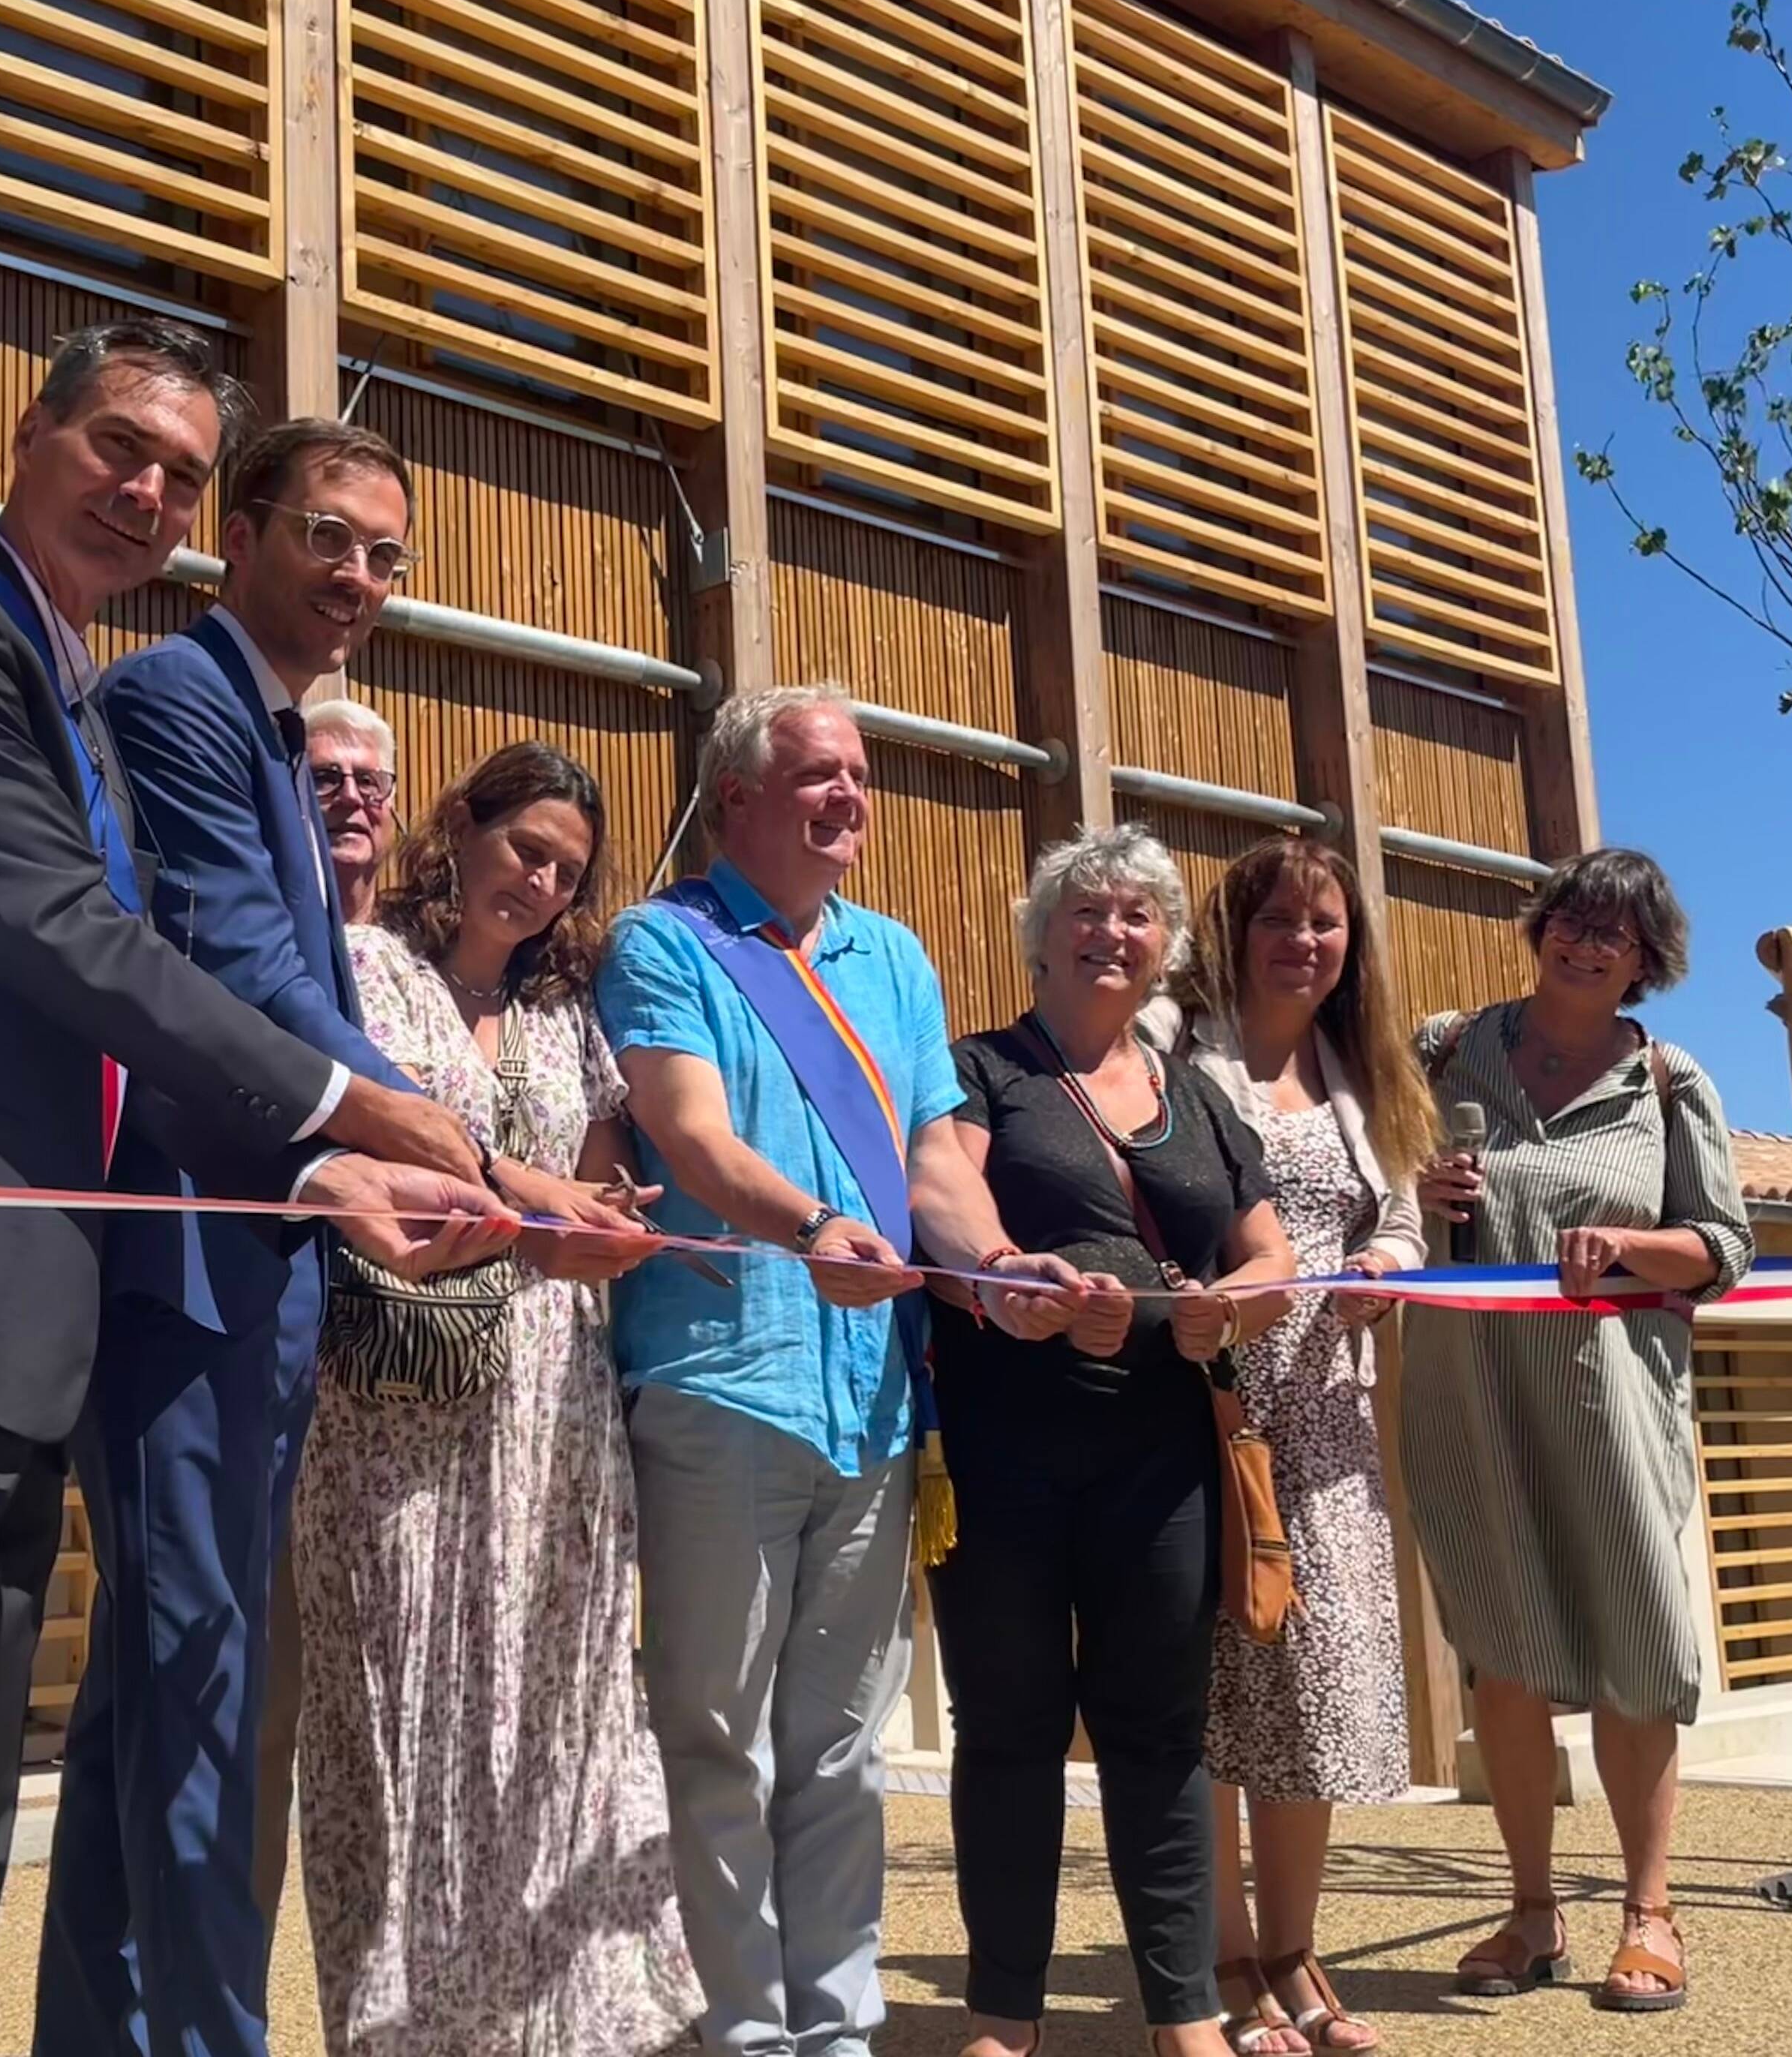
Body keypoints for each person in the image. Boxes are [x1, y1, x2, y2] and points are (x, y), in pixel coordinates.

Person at [0, 330, 501, 2057]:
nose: (143, 489)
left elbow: (110, 1010)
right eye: (115, 445)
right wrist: (345, 1101)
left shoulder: (73, 677)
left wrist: (321, 1165)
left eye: (175, 468)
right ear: (29, 433)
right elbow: (65, 934)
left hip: (22, 1301)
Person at [40, 417, 488, 2056]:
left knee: (153, 1704)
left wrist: (462, 1166)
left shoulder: (277, 732)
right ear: (242, 533)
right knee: (196, 1706)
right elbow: (243, 973)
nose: (360, 576)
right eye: (329, 536)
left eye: (387, 555)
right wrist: (448, 1137)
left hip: (259, 1279)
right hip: (180, 1267)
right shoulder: (179, 697)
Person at [596, 683, 1093, 2057]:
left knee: (838, 1745)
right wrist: (811, 1225)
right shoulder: (663, 941)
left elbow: (936, 1162)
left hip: (874, 1399)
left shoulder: (894, 956)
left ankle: (838, 2030)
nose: (851, 795)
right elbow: (689, 1135)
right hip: (722, 1379)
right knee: (719, 1737)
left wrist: (997, 1261)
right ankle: (748, 2033)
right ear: (736, 795)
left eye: (860, 773)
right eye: (819, 772)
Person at [293, 740, 701, 2055]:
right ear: (461, 827)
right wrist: (535, 1215)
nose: (539, 884)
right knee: (400, 1707)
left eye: (566, 873)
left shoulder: (565, 1017)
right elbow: (346, 1144)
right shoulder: (363, 969)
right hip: (396, 1392)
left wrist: (611, 1223)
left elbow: (598, 1174)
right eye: (526, 848)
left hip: (552, 1392)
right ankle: (408, 2027)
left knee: (555, 1700)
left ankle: (562, 2024)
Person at [935, 824, 1299, 2057]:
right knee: (1008, 1729)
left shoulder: (1197, 1096)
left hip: (1162, 1460)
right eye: (1085, 909)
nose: (1111, 930)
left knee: (1159, 1734)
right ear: (1039, 938)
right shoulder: (981, 1070)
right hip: (1001, 1452)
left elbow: (1269, 1254)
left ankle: (1183, 2010)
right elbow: (943, 1204)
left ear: (1164, 947)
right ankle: (1003, 2012)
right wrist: (1011, 1280)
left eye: (1137, 913)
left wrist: (1223, 1309)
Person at [1410, 847, 1752, 2020]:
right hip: (1468, 1394)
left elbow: (1723, 1248)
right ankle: (1530, 1911)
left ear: (1647, 960)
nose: (1588, 943)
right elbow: (1366, 1188)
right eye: (1575, 918)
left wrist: (1628, 1249)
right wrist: (1418, 1193)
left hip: (1614, 1405)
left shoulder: (1669, 1080)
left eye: (1618, 933)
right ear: (1542, 925)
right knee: (1503, 1651)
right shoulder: (1445, 1050)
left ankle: (1649, 1912)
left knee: (1637, 1645)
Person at [1147, 838, 1436, 2056]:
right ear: (1235, 929)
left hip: (1324, 1414)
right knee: (1213, 1687)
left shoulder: (1365, 1067)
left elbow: (1405, 1216)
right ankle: (1223, 1957)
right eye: (1279, 919)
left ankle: (1292, 1947)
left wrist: (1386, 1266)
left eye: (1324, 924)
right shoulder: (1174, 1044)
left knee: (1313, 1690)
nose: (1303, 943)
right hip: (1198, 1401)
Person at [245, 692, 406, 1950]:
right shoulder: (254, 946)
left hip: (407, 1420)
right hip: (269, 1377)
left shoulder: (413, 965)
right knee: (255, 1715)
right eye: (325, 773)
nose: (349, 795)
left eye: (371, 780)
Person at [308, 695, 399, 927]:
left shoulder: (428, 941)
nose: (350, 796)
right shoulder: (255, 936)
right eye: (325, 779)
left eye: (367, 781)